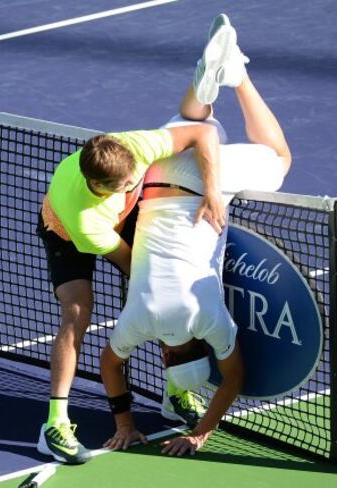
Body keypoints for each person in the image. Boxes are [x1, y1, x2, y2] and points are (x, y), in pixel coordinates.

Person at [35, 18, 233, 465]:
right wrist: (155, 294)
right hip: (63, 231)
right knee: (78, 310)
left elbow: (202, 132)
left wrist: (214, 194)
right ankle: (55, 424)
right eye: (125, 185)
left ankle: (174, 392)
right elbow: (133, 266)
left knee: (160, 290)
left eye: (133, 179)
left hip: (122, 222)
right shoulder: (87, 218)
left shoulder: (133, 147)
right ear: (101, 187)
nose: (133, 184)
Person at [100, 13, 291, 456]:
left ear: (197, 350)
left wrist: (200, 433)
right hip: (153, 178)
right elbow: (110, 365)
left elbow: (235, 379)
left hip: (191, 186)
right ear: (166, 357)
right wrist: (124, 424)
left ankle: (238, 75)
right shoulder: (135, 323)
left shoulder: (210, 322)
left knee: (279, 160)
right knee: (196, 122)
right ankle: (210, 79)